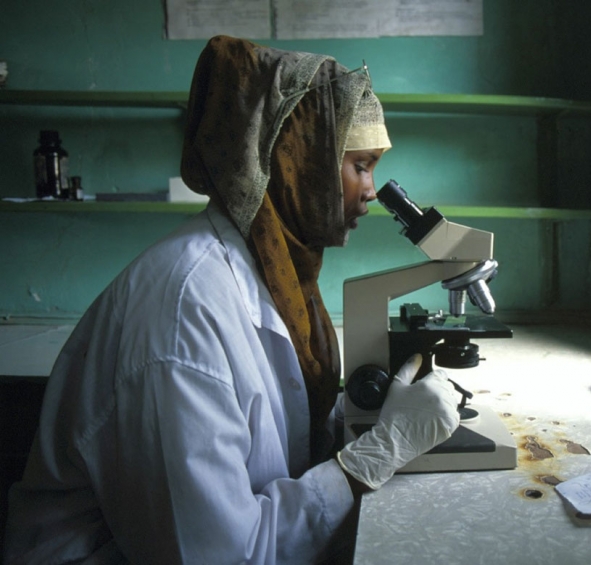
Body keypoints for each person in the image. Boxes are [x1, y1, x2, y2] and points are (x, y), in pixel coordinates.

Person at [4, 36, 460, 564]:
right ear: (298, 160)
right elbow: (226, 556)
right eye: (360, 165)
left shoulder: (278, 275)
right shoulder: (183, 314)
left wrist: (368, 419)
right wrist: (374, 455)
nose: (369, 190)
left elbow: (272, 423)